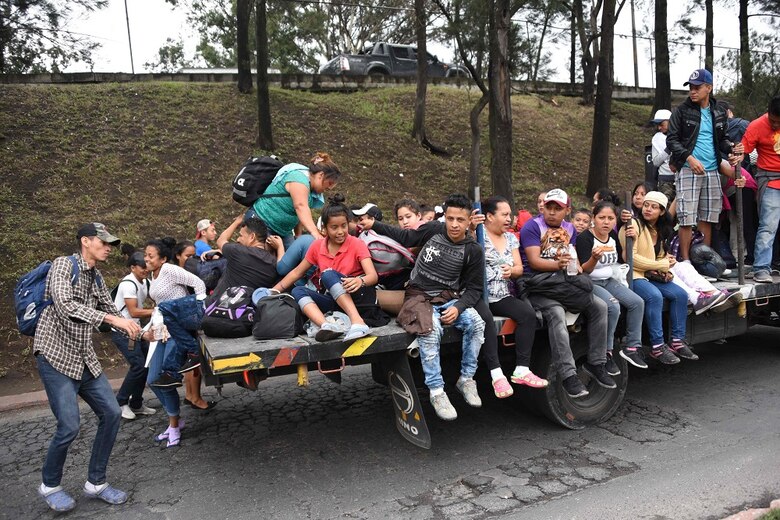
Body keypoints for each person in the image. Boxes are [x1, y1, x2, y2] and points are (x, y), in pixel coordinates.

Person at [34, 223, 141, 511]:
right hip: (55, 356)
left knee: (111, 412)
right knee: (69, 425)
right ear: (85, 241)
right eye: (103, 242)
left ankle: (96, 483)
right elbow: (65, 305)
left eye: (111, 243)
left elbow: (112, 314)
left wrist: (141, 332)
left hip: (84, 358)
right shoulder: (62, 266)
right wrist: (113, 321)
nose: (108, 247)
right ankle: (50, 485)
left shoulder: (96, 277)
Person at [361, 194, 497, 420]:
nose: (454, 224)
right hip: (418, 296)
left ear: (468, 221)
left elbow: (474, 289)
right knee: (430, 329)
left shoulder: (473, 250)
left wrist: (460, 307)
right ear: (445, 217)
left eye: (460, 220)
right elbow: (405, 236)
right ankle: (436, 391)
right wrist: (375, 224)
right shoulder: (433, 229)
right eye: (450, 218)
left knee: (476, 323)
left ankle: (466, 379)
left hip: (448, 298)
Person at [520, 189, 615, 398]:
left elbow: (576, 265)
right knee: (556, 313)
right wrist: (558, 264)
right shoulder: (532, 227)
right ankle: (568, 375)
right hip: (538, 285)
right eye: (549, 207)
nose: (552, 212)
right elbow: (534, 262)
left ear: (567, 211)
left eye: (558, 209)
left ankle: (597, 363)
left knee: (600, 306)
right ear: (543, 207)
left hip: (563, 283)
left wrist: (586, 262)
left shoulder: (570, 229)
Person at [272, 195, 379, 342]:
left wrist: (360, 281)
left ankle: (358, 322)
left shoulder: (357, 244)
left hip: (358, 297)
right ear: (324, 229)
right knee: (298, 290)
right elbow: (297, 272)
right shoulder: (317, 246)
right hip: (334, 300)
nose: (340, 231)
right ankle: (327, 325)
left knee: (327, 275)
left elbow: (373, 276)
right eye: (334, 227)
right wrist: (274, 291)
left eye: (343, 226)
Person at [666, 68, 742, 260]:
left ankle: (703, 261)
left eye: (697, 87)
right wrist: (689, 158)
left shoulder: (718, 111)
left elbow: (722, 139)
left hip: (712, 169)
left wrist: (731, 149)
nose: (693, 91)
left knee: (707, 218)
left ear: (709, 87)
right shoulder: (681, 111)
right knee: (686, 218)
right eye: (691, 87)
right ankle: (686, 263)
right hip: (687, 168)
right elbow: (672, 140)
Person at [618, 191, 696, 365]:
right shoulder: (632, 225)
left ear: (661, 211)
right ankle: (657, 346)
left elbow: (659, 257)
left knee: (681, 295)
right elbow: (631, 259)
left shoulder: (659, 230)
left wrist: (667, 262)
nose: (648, 209)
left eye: (654, 207)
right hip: (634, 275)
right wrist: (661, 265)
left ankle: (677, 341)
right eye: (646, 205)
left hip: (652, 275)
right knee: (654, 296)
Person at [145, 238, 209, 447]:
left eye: (150, 256)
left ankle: (173, 425)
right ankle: (176, 419)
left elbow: (198, 284)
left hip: (178, 330)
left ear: (163, 259)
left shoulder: (169, 270)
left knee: (167, 376)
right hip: (162, 330)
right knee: (154, 379)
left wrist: (197, 310)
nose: (146, 259)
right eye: (145, 255)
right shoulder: (152, 277)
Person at [482, 196, 547, 388]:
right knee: (484, 320)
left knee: (528, 315)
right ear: (489, 216)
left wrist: (511, 271)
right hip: (479, 296)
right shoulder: (478, 235)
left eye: (510, 214)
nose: (509, 218)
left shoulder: (510, 238)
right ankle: (496, 374)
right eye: (504, 214)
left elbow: (519, 268)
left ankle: (522, 369)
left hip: (501, 295)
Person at [576, 201, 647, 369]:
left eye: (610, 218)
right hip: (591, 282)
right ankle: (606, 352)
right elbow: (584, 270)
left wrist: (633, 241)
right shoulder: (584, 238)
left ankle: (632, 347)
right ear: (594, 218)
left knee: (637, 302)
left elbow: (622, 258)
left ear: (615, 220)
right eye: (601, 218)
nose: (606, 222)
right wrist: (594, 258)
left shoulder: (613, 237)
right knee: (613, 306)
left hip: (609, 280)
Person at [251, 152, 341, 248]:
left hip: (284, 232)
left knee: (295, 255)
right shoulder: (299, 178)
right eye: (330, 183)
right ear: (321, 175)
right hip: (262, 222)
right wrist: (315, 233)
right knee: (264, 256)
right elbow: (300, 207)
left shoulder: (311, 189)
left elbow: (300, 214)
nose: (330, 188)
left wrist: (298, 235)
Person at [111, 251, 156, 420]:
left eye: (147, 265)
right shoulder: (128, 284)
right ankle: (120, 402)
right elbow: (134, 311)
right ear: (133, 267)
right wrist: (156, 311)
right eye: (142, 267)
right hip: (123, 332)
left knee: (146, 365)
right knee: (137, 366)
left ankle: (136, 404)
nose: (146, 269)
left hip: (135, 330)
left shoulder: (146, 282)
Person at [741, 96, 780, 283]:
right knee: (768, 225)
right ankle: (762, 268)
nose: (775, 125)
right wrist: (737, 168)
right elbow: (742, 152)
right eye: (772, 120)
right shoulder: (756, 125)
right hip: (770, 179)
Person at [211, 214, 283, 297]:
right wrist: (280, 247)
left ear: (252, 237)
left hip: (218, 305)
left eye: (241, 235)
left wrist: (237, 222)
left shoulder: (238, 251)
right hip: (247, 308)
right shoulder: (273, 263)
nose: (238, 239)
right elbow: (281, 268)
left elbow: (221, 241)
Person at [650, 109, 676, 200]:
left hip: (681, 177)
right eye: (658, 125)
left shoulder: (680, 135)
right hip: (665, 180)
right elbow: (656, 162)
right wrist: (668, 149)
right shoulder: (657, 138)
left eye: (661, 124)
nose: (659, 128)